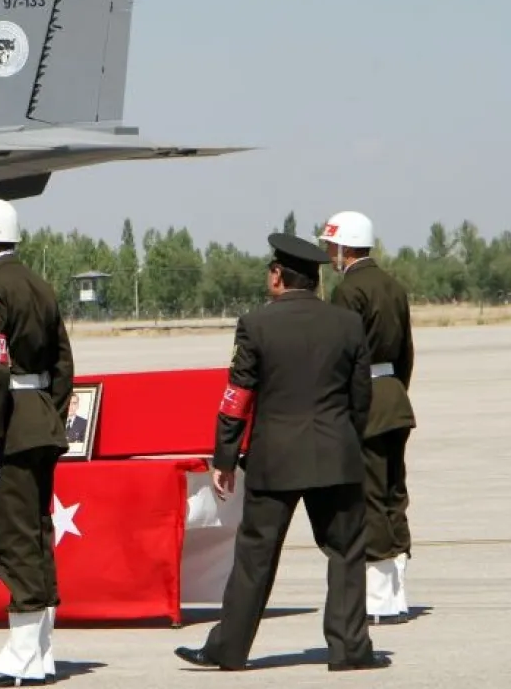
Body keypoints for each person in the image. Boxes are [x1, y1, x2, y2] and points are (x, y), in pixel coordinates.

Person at [174, 233, 389, 672]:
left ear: (277, 276)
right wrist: (346, 441)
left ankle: (228, 649)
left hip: (275, 459)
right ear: (313, 280)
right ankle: (349, 649)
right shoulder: (347, 324)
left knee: (255, 556)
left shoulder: (256, 325)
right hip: (336, 455)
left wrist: (225, 457)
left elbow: (237, 397)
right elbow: (361, 397)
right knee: (346, 551)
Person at [0, 198, 75, 688]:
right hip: (41, 421)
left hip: (8, 423)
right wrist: (49, 412)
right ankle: (41, 650)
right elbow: (64, 362)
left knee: (12, 538)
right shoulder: (41, 285)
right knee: (39, 533)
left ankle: (22, 653)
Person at [319, 210, 416, 624]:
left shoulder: (349, 291)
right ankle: (397, 591)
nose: (330, 254)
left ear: (345, 247)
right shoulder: (393, 285)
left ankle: (378, 599)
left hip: (366, 402)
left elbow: (340, 355)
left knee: (370, 495)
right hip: (394, 397)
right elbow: (406, 352)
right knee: (394, 493)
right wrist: (395, 391)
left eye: (331, 247)